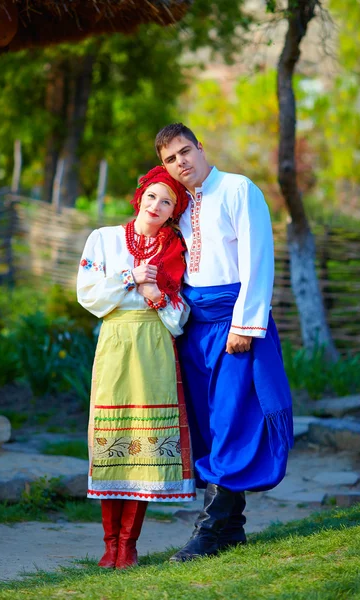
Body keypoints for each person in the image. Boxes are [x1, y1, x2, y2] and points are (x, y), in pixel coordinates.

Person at [154, 123, 294, 562]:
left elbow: (257, 258)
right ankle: (232, 529)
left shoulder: (238, 189)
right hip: (197, 329)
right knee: (211, 426)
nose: (181, 163)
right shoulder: (181, 205)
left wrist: (244, 325)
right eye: (170, 160)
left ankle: (209, 531)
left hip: (234, 323)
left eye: (184, 152)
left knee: (234, 419)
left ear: (200, 147)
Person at [77, 166, 195, 570]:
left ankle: (128, 545)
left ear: (173, 211)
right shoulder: (104, 239)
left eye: (167, 202)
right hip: (115, 341)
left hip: (154, 346)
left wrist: (156, 294)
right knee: (113, 438)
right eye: (152, 197)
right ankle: (108, 543)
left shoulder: (175, 249)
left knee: (145, 446)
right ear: (140, 197)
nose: (157, 206)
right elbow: (87, 294)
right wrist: (129, 276)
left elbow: (181, 318)